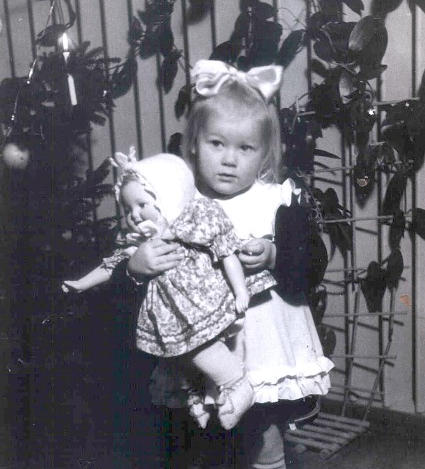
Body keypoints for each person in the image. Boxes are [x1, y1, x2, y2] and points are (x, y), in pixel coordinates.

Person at [127, 60, 334, 469]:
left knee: (266, 444)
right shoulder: (177, 203)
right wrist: (139, 264)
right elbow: (137, 262)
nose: (229, 158)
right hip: (207, 350)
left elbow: (313, 261)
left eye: (245, 148)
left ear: (265, 154)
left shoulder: (277, 200)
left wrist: (275, 253)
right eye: (217, 143)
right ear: (192, 145)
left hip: (262, 340)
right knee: (208, 444)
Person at [62, 151, 278, 430]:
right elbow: (111, 265)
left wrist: (240, 291)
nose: (134, 215)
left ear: (168, 197)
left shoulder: (191, 223)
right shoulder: (139, 242)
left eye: (142, 204)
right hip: (171, 312)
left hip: (200, 299)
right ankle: (198, 395)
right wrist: (81, 283)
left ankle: (237, 384)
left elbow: (227, 253)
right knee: (178, 354)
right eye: (127, 209)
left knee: (200, 347)